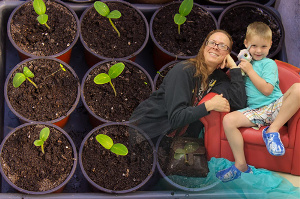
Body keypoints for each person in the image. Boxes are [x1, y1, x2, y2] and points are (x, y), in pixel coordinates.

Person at [216, 22, 300, 182]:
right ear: (246, 44)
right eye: (254, 46)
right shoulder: (245, 64)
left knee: (298, 88)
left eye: (263, 46)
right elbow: (236, 84)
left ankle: (272, 131)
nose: (259, 51)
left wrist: (250, 70)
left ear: (270, 45)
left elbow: (267, 90)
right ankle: (240, 165)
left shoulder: (268, 64)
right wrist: (234, 63)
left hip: (276, 107)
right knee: (228, 120)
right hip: (255, 111)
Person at [130, 29, 246, 141]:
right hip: (146, 132)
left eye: (222, 46)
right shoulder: (184, 71)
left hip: (170, 139)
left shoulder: (220, 79)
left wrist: (234, 68)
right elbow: (177, 118)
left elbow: (238, 104)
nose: (215, 47)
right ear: (204, 47)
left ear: (228, 54)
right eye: (211, 42)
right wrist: (209, 105)